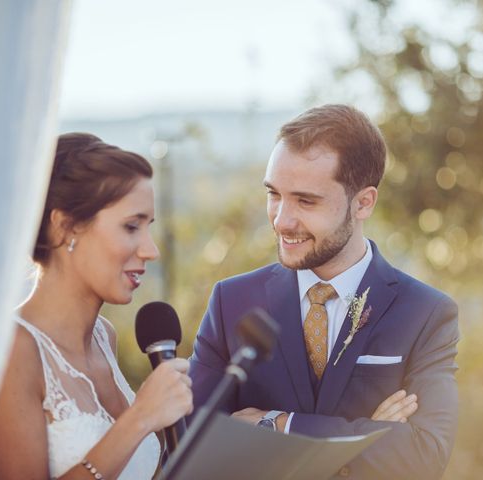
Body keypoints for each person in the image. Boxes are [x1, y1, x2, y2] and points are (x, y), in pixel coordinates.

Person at [189, 104, 459, 479]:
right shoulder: (231, 303)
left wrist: (277, 424)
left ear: (363, 202)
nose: (282, 220)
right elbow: (195, 448)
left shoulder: (425, 313)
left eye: (306, 200)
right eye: (274, 194)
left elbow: (423, 456)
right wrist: (365, 436)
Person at [0, 133, 193, 479]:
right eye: (131, 227)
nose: (150, 250)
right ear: (66, 226)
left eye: (148, 228)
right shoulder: (12, 350)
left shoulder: (103, 338)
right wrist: (139, 418)